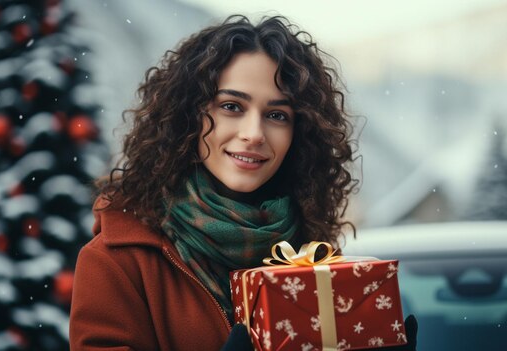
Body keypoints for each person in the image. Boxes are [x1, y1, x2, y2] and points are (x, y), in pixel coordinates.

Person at [69, 15, 417, 351]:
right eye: (232, 106)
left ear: (299, 134)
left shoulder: (309, 254)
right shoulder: (117, 262)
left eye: (277, 115)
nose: (254, 134)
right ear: (188, 116)